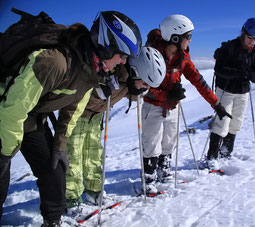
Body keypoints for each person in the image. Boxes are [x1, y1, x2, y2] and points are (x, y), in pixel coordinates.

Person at [0, 10, 142, 226]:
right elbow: (12, 111)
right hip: (5, 111)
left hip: (32, 116)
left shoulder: (91, 72)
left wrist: (60, 145)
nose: (123, 62)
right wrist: (5, 154)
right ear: (107, 44)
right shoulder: (55, 63)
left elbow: (73, 110)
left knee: (54, 171)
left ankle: (53, 221)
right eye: (122, 55)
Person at [65, 46, 166, 209]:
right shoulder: (111, 73)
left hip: (95, 117)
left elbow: (130, 89)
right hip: (77, 115)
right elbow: (82, 94)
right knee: (73, 157)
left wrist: (137, 91)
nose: (145, 87)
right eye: (145, 83)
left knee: (94, 155)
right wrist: (100, 91)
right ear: (135, 71)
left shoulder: (130, 82)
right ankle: (71, 201)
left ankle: (94, 193)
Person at [141, 14, 232, 194]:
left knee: (169, 142)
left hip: (172, 107)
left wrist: (216, 105)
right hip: (153, 106)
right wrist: (167, 94)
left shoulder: (183, 58)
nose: (190, 40)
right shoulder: (152, 54)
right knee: (152, 143)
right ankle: (148, 179)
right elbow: (145, 85)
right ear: (175, 37)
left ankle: (163, 170)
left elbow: (199, 81)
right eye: (188, 37)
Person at [206, 18, 255, 169]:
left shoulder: (254, 52)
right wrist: (237, 73)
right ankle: (212, 158)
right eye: (250, 37)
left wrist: (250, 75)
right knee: (222, 123)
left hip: (243, 92)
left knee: (236, 124)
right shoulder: (230, 47)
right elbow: (219, 69)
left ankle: (226, 154)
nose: (252, 41)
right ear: (243, 33)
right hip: (226, 90)